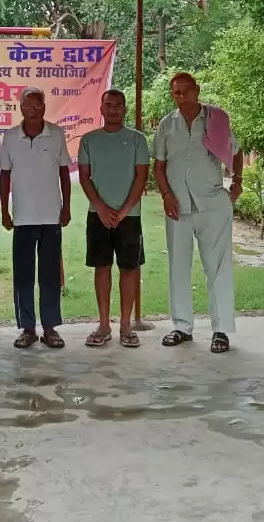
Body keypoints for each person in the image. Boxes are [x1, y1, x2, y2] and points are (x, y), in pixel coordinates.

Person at [153, 72, 242, 354]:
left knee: (217, 266)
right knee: (178, 266)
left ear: (196, 90)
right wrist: (166, 194)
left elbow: (236, 151)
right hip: (177, 204)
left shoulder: (216, 120)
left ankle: (221, 331)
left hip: (213, 203)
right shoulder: (167, 124)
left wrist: (237, 182)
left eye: (185, 91)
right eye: (175, 93)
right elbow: (158, 165)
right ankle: (181, 326)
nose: (180, 97)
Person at [0, 88, 71, 349]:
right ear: (20, 108)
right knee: (23, 275)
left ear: (44, 107)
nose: (32, 110)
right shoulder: (10, 137)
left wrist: (66, 207)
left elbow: (64, 172)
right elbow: (5, 175)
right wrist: (4, 210)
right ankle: (27, 328)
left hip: (51, 215)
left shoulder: (56, 134)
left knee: (50, 274)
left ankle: (50, 328)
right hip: (23, 217)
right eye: (27, 106)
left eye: (37, 105)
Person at [78, 89, 150, 348]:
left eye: (118, 105)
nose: (113, 110)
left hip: (129, 216)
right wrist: (102, 207)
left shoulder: (137, 140)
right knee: (102, 267)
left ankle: (126, 326)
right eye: (108, 105)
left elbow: (142, 176)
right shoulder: (88, 140)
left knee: (129, 269)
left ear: (125, 108)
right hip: (98, 215)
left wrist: (123, 210)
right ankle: (104, 324)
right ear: (101, 108)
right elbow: (85, 177)